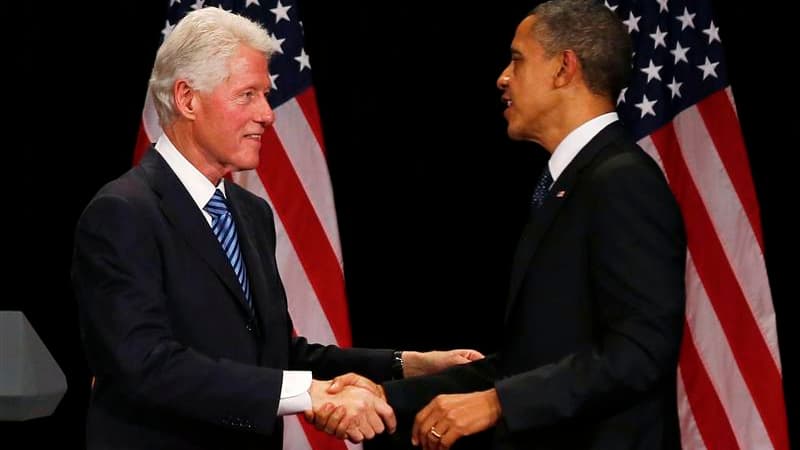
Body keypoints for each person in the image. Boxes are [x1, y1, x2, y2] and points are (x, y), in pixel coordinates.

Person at [71, 7, 483, 450]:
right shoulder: (122, 212)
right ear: (188, 99)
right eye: (247, 95)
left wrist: (406, 364)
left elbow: (277, 353)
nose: (268, 114)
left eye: (265, 95)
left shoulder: (250, 213)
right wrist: (306, 395)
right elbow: (145, 365)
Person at [319, 1, 687, 449]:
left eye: (517, 59)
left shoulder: (621, 180)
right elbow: (530, 361)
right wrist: (386, 396)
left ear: (564, 68)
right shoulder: (571, 182)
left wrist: (499, 403)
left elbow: (640, 352)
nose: (503, 78)